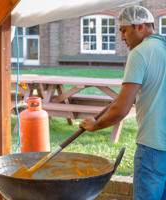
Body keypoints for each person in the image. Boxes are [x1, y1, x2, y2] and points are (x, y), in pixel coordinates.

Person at [79, 5, 166, 200]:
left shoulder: (139, 53)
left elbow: (121, 109)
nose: (122, 38)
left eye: (124, 30)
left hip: (153, 147)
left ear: (140, 27)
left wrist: (95, 125)